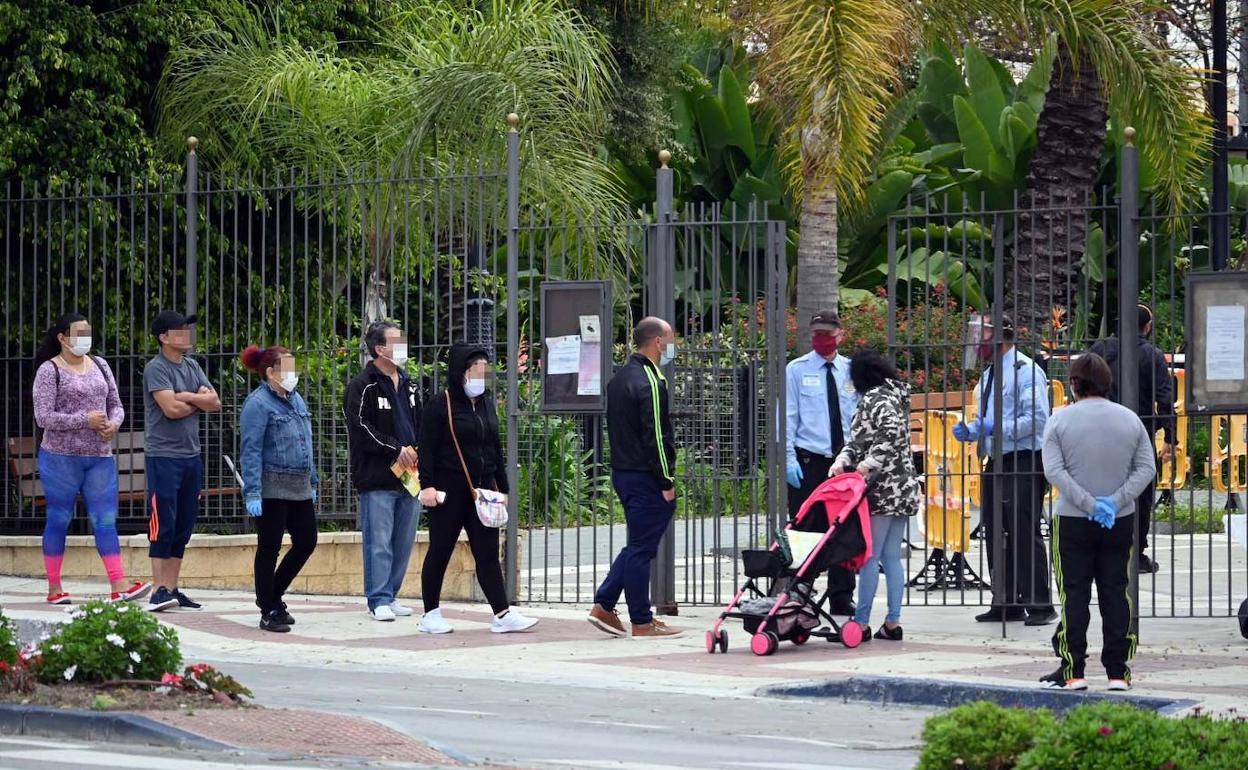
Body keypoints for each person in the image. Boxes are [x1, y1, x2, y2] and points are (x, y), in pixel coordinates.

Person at [1039, 352, 1156, 690]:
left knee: (1073, 594)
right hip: (1118, 520)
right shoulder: (1129, 420)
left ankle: (1073, 669)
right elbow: (1146, 468)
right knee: (1115, 593)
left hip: (1073, 519)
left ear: (1073, 384)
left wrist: (1088, 504)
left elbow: (1054, 471)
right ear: (1108, 382)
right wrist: (1114, 501)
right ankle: (1117, 671)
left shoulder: (1059, 421)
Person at [416, 343, 538, 634]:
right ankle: (430, 613)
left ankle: (502, 613)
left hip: (482, 492)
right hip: (448, 490)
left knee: (487, 553)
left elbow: (494, 447)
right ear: (461, 372)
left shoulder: (484, 403)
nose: (480, 377)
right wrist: (427, 486)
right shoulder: (440, 404)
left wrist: (503, 487)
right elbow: (428, 449)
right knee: (440, 550)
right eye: (475, 370)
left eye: (485, 371)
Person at [32, 313, 151, 606]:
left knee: (105, 520)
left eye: (88, 331)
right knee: (59, 519)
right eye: (79, 332)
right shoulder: (49, 371)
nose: (86, 337)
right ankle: (54, 588)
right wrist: (83, 419)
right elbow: (43, 417)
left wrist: (114, 423)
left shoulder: (100, 364)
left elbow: (116, 405)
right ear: (62, 338)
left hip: (99, 456)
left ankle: (118, 584)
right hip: (60, 457)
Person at [953, 314, 1056, 625]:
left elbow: (1037, 419)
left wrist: (996, 427)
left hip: (1024, 459)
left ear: (1001, 335)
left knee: (1024, 530)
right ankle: (1006, 600)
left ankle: (1039, 603)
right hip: (996, 460)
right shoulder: (989, 375)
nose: (978, 342)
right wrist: (974, 431)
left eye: (982, 334)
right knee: (996, 530)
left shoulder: (1025, 371)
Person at [588, 317, 683, 638]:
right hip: (646, 477)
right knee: (641, 550)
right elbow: (655, 436)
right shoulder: (649, 382)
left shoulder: (619, 379)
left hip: (624, 472)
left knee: (637, 546)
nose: (674, 347)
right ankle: (641, 620)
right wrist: (666, 480)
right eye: (671, 340)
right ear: (658, 342)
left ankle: (604, 604)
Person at [831, 351, 921, 641]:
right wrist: (844, 459)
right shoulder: (895, 396)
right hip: (903, 488)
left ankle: (862, 620)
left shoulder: (873, 399)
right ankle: (892, 621)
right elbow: (861, 439)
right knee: (892, 557)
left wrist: (870, 463)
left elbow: (884, 433)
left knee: (870, 556)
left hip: (882, 490)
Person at [1087, 304, 1175, 574]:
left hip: (1099, 430)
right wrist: (1170, 437)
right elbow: (1164, 397)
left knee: (1100, 487)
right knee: (1140, 492)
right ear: (1147, 327)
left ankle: (1100, 550)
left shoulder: (1098, 350)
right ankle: (1135, 554)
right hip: (1139, 431)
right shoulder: (1152, 354)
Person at [344, 321, 423, 622]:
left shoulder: (410, 384)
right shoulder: (362, 385)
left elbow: (421, 424)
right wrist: (395, 449)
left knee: (403, 539)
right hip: (377, 476)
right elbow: (360, 427)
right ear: (379, 349)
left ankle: (391, 594)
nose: (402, 346)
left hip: (409, 473)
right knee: (378, 540)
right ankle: (377, 598)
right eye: (395, 341)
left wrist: (417, 450)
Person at [144, 310, 221, 612]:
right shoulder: (156, 368)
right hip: (163, 455)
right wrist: (195, 400)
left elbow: (215, 402)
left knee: (184, 523)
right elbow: (170, 410)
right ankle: (158, 589)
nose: (186, 335)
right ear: (164, 337)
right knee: (163, 521)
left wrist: (185, 397)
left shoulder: (192, 366)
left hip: (191, 454)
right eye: (179, 331)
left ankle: (173, 588)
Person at [239, 344, 319, 634]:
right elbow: (250, 450)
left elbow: (306, 442)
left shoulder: (297, 401)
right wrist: (253, 492)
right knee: (269, 548)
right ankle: (268, 609)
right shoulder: (257, 404)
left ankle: (273, 596)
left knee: (307, 541)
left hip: (298, 485)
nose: (294, 373)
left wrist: (312, 481)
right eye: (288, 368)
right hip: (271, 486)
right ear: (271, 372)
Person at [783, 310, 859, 615]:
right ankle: (801, 590)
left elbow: (859, 417)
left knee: (844, 528)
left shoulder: (852, 370)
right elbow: (787, 417)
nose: (821, 340)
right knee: (805, 529)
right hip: (810, 461)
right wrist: (788, 459)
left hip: (844, 460)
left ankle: (842, 594)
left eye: (828, 334)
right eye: (816, 334)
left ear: (840, 335)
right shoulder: (797, 370)